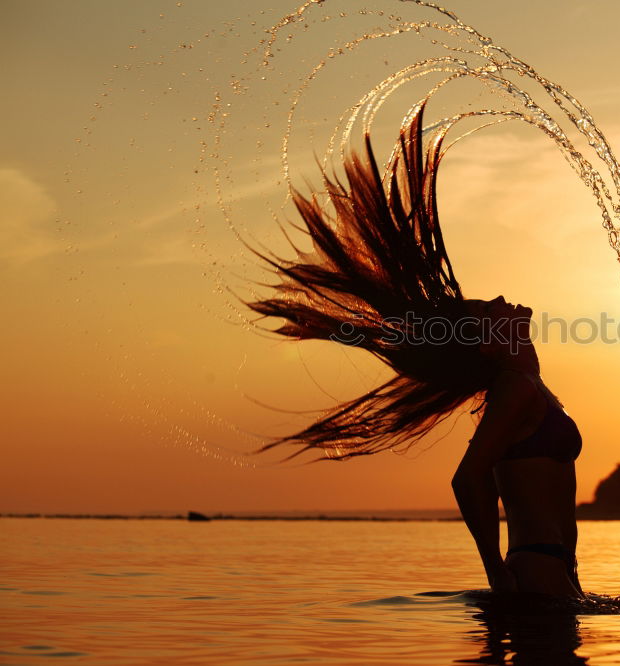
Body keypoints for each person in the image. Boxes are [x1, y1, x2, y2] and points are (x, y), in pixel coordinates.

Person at [241, 103, 583, 599]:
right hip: (535, 573)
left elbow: (484, 474)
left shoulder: (522, 389)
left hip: (550, 574)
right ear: (487, 344)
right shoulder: (516, 388)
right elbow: (467, 480)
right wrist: (497, 573)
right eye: (491, 308)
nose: (504, 301)